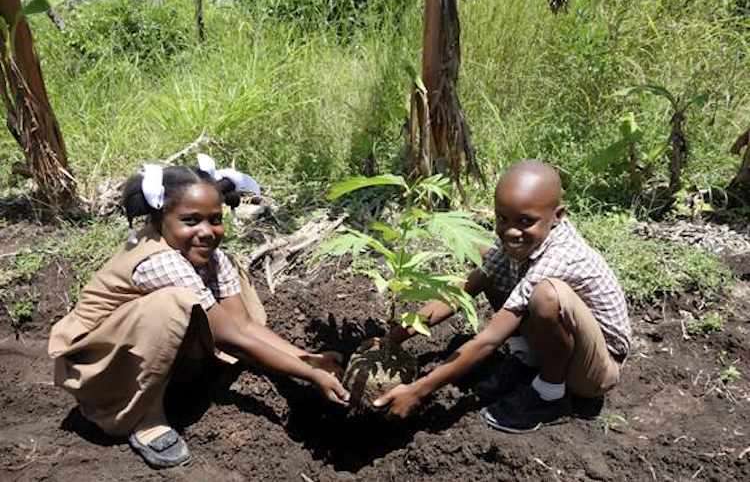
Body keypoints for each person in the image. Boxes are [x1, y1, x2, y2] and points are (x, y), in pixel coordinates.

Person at [48, 157, 349, 468]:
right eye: (191, 221)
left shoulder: (212, 257)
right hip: (99, 368)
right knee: (173, 304)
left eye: (215, 219)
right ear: (160, 217)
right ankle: (144, 419)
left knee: (224, 280)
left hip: (139, 352)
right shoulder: (160, 261)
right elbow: (231, 335)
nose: (207, 232)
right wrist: (310, 375)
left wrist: (309, 359)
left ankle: (181, 378)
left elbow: (242, 323)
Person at [372, 160, 631, 433]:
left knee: (547, 296)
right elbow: (461, 292)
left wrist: (419, 390)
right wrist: (392, 338)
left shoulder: (560, 255)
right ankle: (525, 360)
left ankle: (549, 395)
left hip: (595, 371)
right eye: (502, 219)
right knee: (489, 263)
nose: (510, 231)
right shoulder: (520, 240)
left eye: (525, 221)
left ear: (558, 216)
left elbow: (491, 339)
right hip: (566, 346)